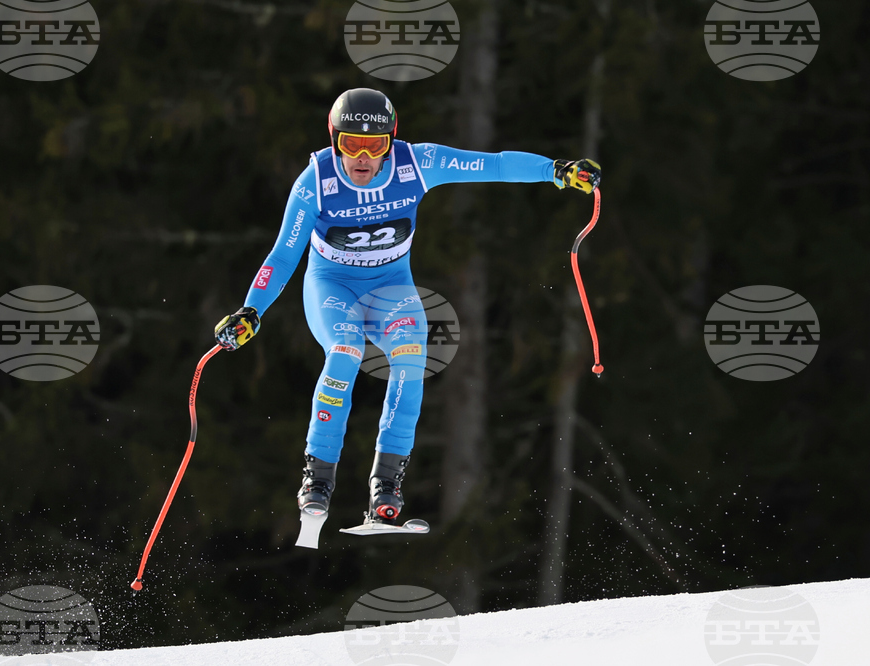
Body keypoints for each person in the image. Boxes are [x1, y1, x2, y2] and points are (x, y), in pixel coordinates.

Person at [214, 88, 600, 527]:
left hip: (390, 286)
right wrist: (251, 310)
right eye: (349, 145)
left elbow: (492, 164)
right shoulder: (315, 182)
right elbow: (283, 256)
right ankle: (317, 481)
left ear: (391, 140)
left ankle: (387, 484)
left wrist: (557, 171)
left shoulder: (418, 163)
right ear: (334, 140)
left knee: (412, 353)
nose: (362, 157)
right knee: (345, 352)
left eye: (375, 146)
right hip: (331, 286)